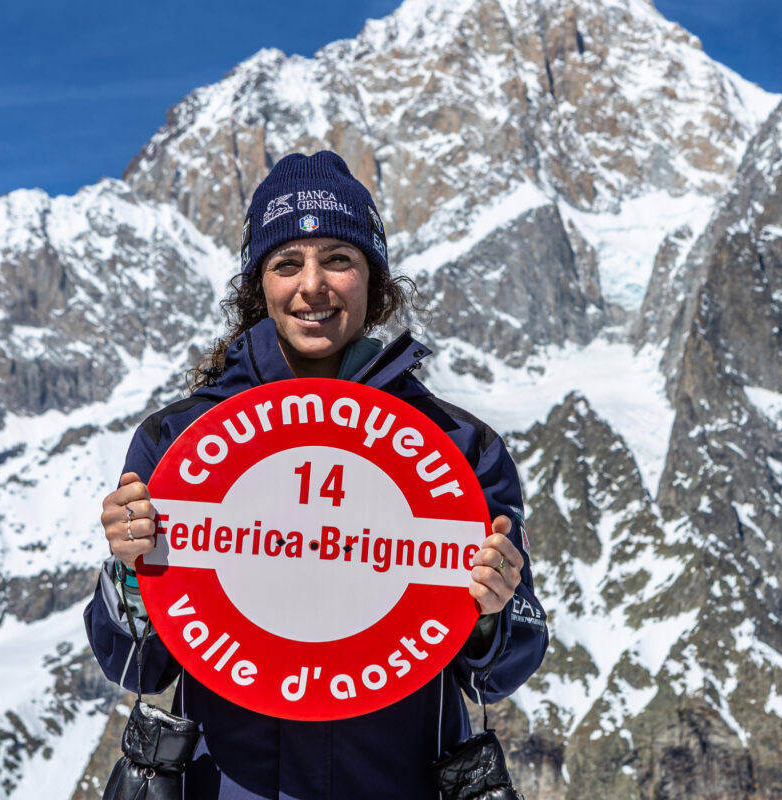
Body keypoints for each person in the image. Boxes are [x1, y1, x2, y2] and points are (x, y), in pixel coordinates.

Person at [83, 151, 549, 799]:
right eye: (286, 263)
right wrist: (133, 570)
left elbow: (502, 670)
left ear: (372, 278)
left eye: (337, 259)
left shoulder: (459, 449)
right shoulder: (178, 443)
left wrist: (491, 612)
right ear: (259, 285)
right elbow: (132, 663)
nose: (313, 285)